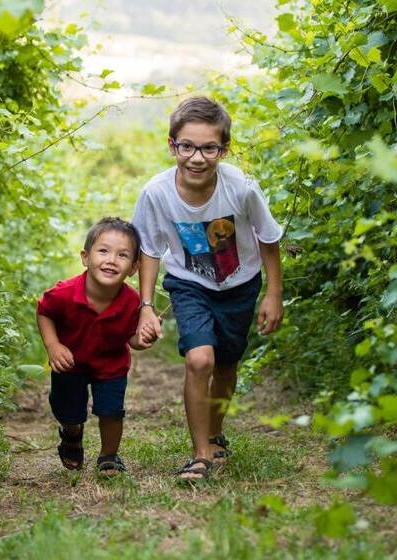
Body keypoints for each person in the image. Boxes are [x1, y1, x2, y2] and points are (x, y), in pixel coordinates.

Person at [132, 96, 284, 481]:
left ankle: (215, 434)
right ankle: (200, 453)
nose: (196, 157)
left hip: (240, 284)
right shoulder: (157, 192)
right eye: (187, 146)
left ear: (223, 149)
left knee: (227, 364)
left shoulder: (242, 188)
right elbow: (149, 249)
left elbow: (268, 238)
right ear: (172, 146)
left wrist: (273, 293)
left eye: (208, 148)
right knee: (201, 360)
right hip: (189, 284)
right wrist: (146, 306)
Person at [36, 217, 157, 476]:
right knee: (68, 413)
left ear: (134, 267)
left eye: (122, 255)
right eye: (103, 251)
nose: (111, 260)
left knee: (112, 411)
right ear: (85, 257)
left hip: (110, 366)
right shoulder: (64, 293)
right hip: (69, 364)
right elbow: (44, 311)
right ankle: (71, 436)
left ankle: (109, 456)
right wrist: (53, 345)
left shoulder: (131, 301)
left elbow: (131, 338)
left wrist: (143, 339)